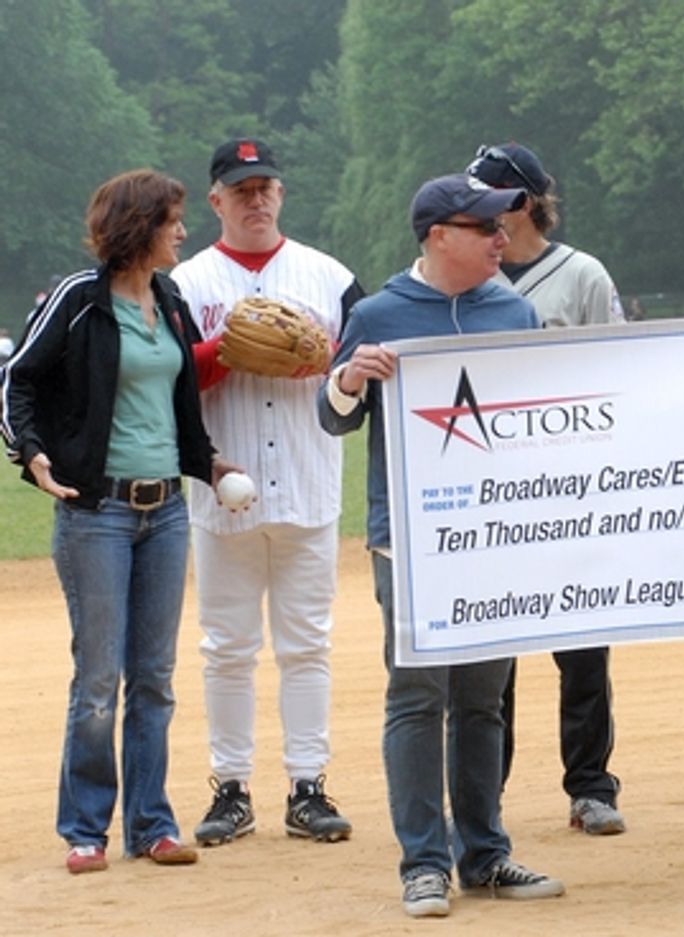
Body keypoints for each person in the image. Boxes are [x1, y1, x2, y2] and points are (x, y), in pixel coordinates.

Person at [317, 174, 564, 918]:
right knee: (419, 697)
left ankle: (485, 854)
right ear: (437, 236)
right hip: (413, 545)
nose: (500, 238)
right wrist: (347, 380)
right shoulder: (378, 312)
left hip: (495, 538)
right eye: (484, 227)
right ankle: (423, 863)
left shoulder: (513, 309)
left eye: (502, 227)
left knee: (485, 701)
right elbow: (335, 421)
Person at [1, 169, 237, 874]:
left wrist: (211, 464)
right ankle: (85, 829)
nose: (183, 233)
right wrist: (33, 454)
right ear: (140, 225)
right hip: (95, 513)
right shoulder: (79, 298)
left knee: (156, 676)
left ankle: (151, 823)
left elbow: (182, 397)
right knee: (100, 677)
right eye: (173, 221)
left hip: (165, 510)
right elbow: (18, 381)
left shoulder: (170, 299)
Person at [171, 138, 362, 848]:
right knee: (226, 646)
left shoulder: (330, 277)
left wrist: (330, 365)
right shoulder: (186, 284)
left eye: (266, 186)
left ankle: (308, 785)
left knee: (307, 643)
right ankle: (230, 788)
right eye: (240, 189)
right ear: (216, 200)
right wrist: (222, 350)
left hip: (310, 485)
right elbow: (173, 386)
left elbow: (358, 380)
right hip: (223, 490)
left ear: (282, 194)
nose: (256, 199)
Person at [466, 141, 628, 836]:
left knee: (582, 644)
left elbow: (620, 368)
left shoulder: (581, 275)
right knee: (491, 658)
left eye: (487, 197)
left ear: (521, 203)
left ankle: (590, 784)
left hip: (569, 487)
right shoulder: (466, 276)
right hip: (492, 494)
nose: (473, 210)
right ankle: (484, 792)